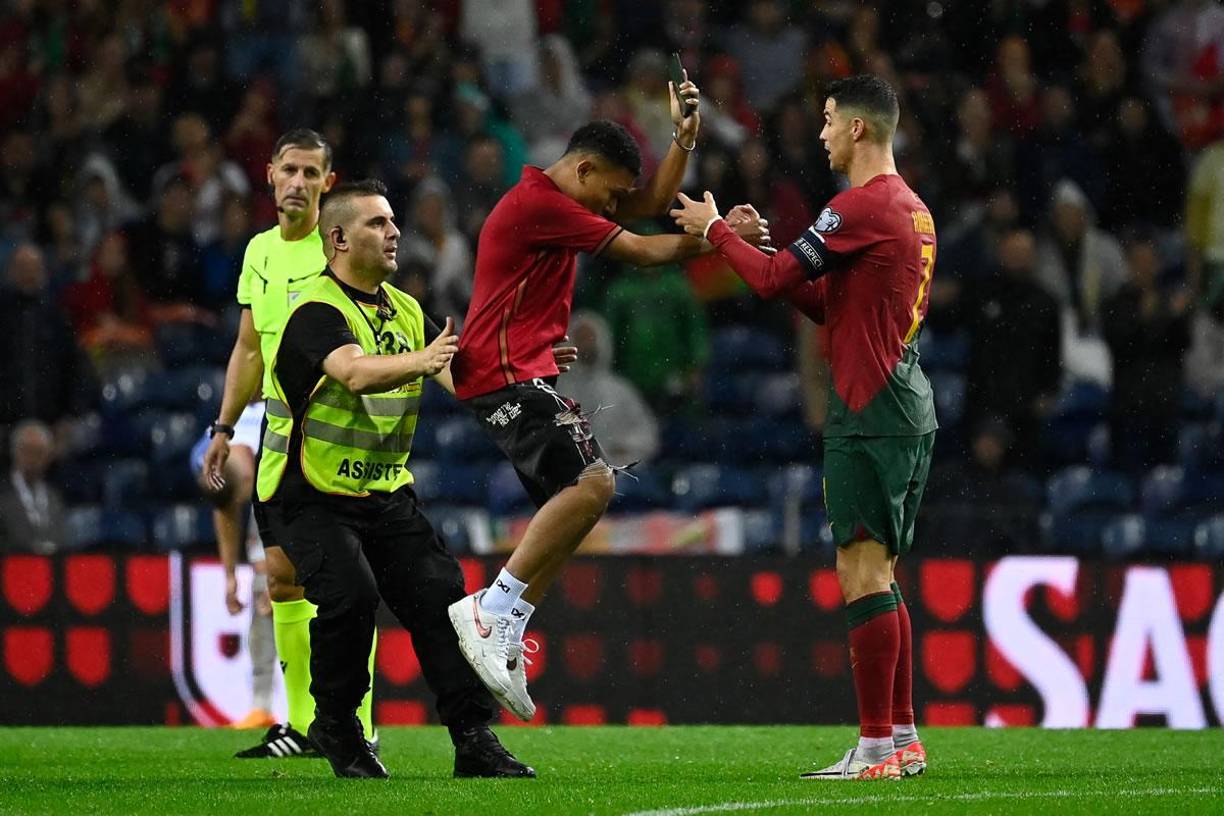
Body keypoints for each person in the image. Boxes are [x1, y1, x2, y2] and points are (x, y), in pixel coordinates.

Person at [445, 72, 770, 721]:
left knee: (581, 506)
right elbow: (646, 249)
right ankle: (491, 609)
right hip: (501, 375)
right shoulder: (540, 201)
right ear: (584, 168)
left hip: (524, 369)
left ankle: (506, 618)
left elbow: (649, 198)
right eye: (608, 194)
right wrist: (720, 239)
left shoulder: (569, 198)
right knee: (593, 485)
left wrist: (682, 138)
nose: (612, 208)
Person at [672, 74, 934, 781]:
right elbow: (822, 298)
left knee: (861, 571)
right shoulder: (907, 209)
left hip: (870, 408)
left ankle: (877, 745)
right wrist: (763, 246)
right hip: (899, 403)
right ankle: (901, 738)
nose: (819, 133)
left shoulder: (861, 205)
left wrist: (717, 231)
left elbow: (767, 283)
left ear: (857, 129)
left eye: (826, 120)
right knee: (879, 572)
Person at [254, 179, 531, 779]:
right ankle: (337, 724)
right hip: (308, 493)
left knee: (443, 601)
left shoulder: (406, 310)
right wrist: (422, 360)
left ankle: (473, 739)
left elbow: (468, 381)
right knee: (350, 596)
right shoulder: (314, 311)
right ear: (337, 238)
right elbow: (353, 373)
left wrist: (524, 367)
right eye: (377, 223)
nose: (394, 231)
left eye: (393, 221)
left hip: (383, 491)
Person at [198, 128, 370, 759]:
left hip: (334, 426)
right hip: (275, 427)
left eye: (310, 173)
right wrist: (223, 427)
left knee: (347, 581)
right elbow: (248, 347)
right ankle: (303, 727)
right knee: (281, 577)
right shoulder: (259, 253)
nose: (296, 182)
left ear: (330, 182)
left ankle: (359, 727)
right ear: (269, 174)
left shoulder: (340, 250)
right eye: (288, 170)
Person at [189, 405, 278, 730]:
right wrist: (229, 575)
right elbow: (224, 506)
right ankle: (261, 706)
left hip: (303, 496)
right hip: (262, 484)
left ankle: (315, 707)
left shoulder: (275, 440)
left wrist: (274, 571)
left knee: (277, 593)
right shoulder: (209, 455)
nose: (241, 505)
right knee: (262, 596)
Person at [0, 420, 67, 554]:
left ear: (48, 456)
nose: (33, 458)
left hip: (49, 568)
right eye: (28, 450)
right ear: (15, 451)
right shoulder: (2, 494)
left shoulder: (55, 497)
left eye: (39, 452)